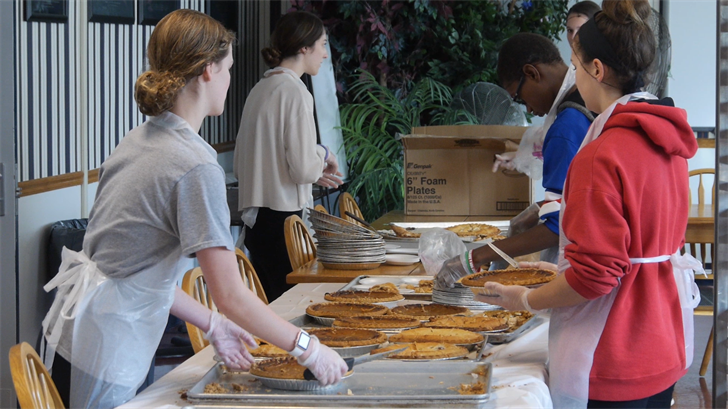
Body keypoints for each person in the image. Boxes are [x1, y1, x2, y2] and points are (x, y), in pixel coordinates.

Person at [40, 9, 347, 409]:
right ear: (207, 70)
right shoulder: (195, 163)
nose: (229, 78)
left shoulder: (136, 140)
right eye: (229, 68)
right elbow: (231, 296)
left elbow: (131, 272)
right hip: (110, 345)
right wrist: (308, 347)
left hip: (77, 331)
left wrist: (212, 323)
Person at [477, 1, 701, 408]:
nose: (573, 76)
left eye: (577, 65)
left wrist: (522, 299)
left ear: (597, 70)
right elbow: (637, 249)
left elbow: (597, 277)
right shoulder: (668, 140)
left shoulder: (601, 154)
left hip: (616, 353)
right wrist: (560, 269)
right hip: (664, 340)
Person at [435, 33, 593, 288]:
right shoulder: (585, 100)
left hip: (584, 269)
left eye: (519, 97)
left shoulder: (567, 126)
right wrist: (541, 207)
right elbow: (583, 197)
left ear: (532, 73)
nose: (528, 109)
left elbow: (558, 226)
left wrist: (473, 258)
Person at [234, 11, 342, 302]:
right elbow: (304, 170)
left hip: (257, 224)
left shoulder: (260, 88)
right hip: (285, 225)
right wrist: (324, 153)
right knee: (294, 313)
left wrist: (308, 164)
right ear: (304, 47)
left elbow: (242, 164)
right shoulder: (295, 92)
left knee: (271, 312)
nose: (324, 54)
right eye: (322, 45)